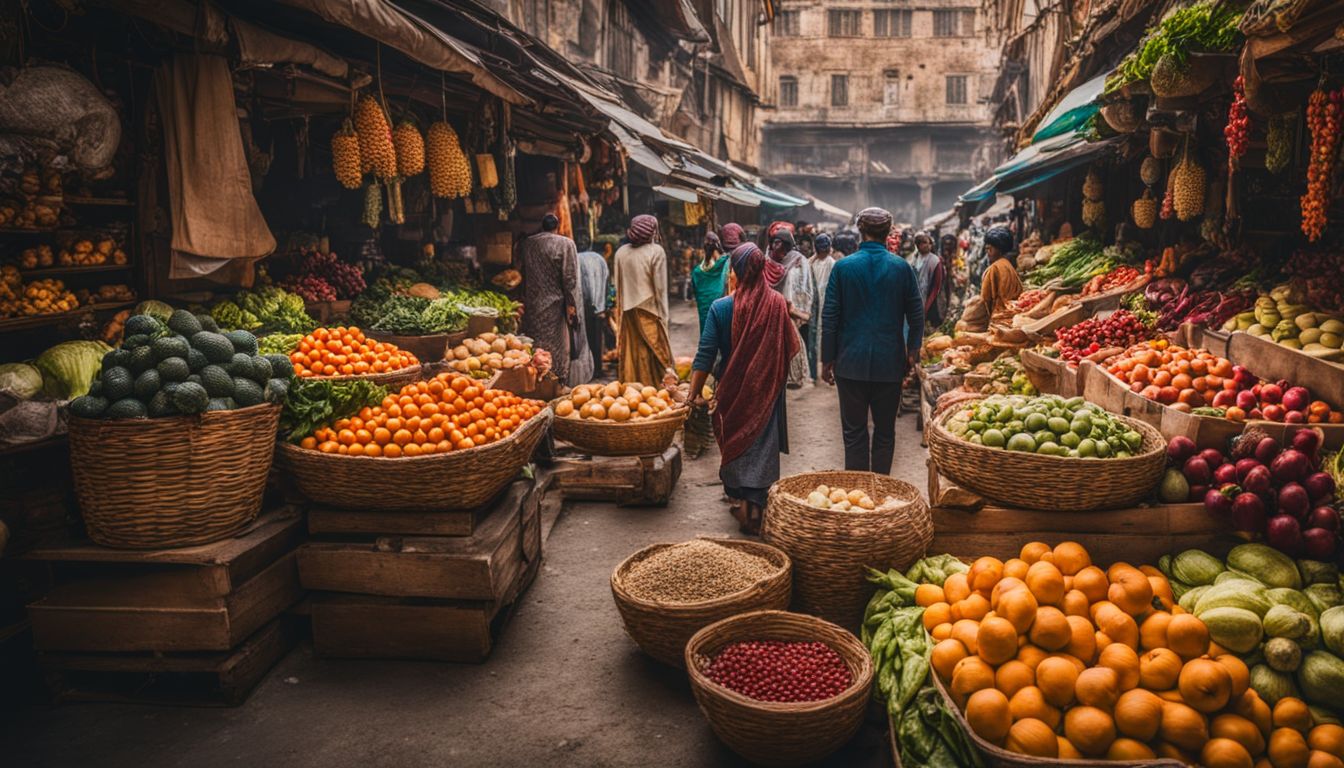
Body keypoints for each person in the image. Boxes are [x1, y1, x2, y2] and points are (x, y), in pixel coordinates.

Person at [688, 242, 799, 534]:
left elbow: (705, 354)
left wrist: (692, 394)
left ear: (735, 271)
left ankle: (738, 497)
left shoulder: (721, 307)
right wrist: (767, 370)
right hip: (767, 389)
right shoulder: (776, 303)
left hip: (731, 390)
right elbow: (789, 346)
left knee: (735, 440)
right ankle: (756, 502)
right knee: (762, 443)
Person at [820, 207, 924, 474]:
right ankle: (880, 491)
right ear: (888, 232)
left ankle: (858, 493)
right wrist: (913, 351)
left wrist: (827, 359)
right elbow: (916, 314)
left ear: (860, 231)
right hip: (890, 363)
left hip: (849, 362)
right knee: (885, 432)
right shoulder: (901, 268)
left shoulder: (843, 267)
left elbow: (830, 317)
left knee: (854, 433)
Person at [520, 213, 588, 384]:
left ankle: (535, 380)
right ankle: (556, 381)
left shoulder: (528, 244)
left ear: (542, 226)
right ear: (557, 227)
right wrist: (572, 306)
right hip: (556, 306)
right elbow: (570, 279)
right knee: (558, 347)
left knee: (536, 344)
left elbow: (523, 272)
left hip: (533, 304)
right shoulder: (565, 244)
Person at [613, 214, 674, 386]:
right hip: (650, 310)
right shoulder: (656, 251)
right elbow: (660, 290)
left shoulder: (621, 252)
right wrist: (664, 318)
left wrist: (619, 316)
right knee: (658, 357)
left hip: (627, 310)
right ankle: (658, 392)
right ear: (652, 232)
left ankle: (633, 393)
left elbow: (618, 287)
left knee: (632, 356)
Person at [767, 227, 812, 388]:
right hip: (768, 312)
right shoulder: (765, 261)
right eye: (776, 243)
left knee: (791, 346)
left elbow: (802, 288)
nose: (779, 249)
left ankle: (791, 377)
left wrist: (798, 310)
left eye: (783, 246)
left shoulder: (797, 261)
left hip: (787, 311)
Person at [576, 233, 609, 379]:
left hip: (583, 305)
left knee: (584, 340)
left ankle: (589, 370)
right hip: (599, 305)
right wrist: (606, 304)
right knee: (596, 338)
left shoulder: (575, 258)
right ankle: (597, 368)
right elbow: (607, 280)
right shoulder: (599, 259)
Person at [807, 232, 837, 380]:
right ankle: (817, 369)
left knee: (822, 335)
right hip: (815, 303)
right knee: (816, 336)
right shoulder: (813, 262)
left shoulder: (832, 263)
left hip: (826, 304)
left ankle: (824, 367)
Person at [691, 231, 729, 333]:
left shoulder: (696, 272)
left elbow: (695, 292)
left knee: (706, 336)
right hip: (720, 311)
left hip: (703, 312)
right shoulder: (724, 263)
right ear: (717, 249)